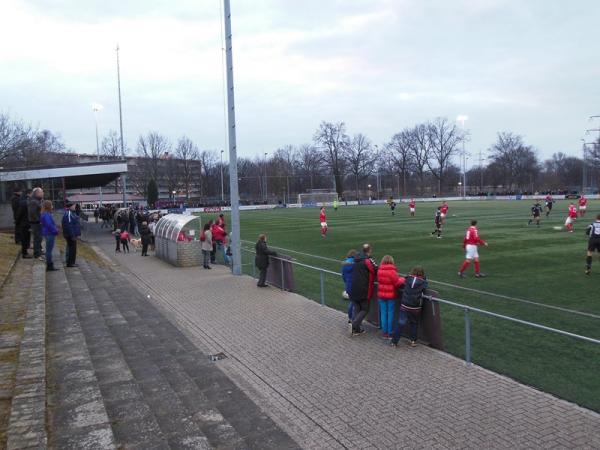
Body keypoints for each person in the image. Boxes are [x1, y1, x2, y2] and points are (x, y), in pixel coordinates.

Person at [390, 266, 428, 347]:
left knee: (401, 323)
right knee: (414, 323)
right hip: (415, 306)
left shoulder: (407, 279)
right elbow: (425, 288)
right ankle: (413, 341)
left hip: (405, 304)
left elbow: (401, 283)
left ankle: (394, 341)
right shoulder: (423, 282)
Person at [349, 243, 378, 336]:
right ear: (369, 250)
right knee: (365, 309)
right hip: (363, 288)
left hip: (353, 287)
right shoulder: (367, 261)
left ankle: (356, 329)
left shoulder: (355, 259)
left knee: (357, 308)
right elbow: (375, 270)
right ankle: (354, 324)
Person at [376, 255, 405, 339]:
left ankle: (384, 333)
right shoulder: (392, 271)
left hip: (381, 295)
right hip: (390, 295)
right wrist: (403, 279)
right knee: (390, 314)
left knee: (383, 313)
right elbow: (397, 283)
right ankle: (389, 333)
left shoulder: (380, 270)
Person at [41, 200, 59, 271]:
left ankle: (50, 265)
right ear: (48, 206)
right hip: (49, 233)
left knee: (49, 250)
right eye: (51, 205)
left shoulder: (44, 214)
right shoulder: (46, 215)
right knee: (49, 250)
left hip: (47, 233)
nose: (52, 206)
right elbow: (49, 225)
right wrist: (55, 231)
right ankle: (50, 265)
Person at [62, 202, 81, 267]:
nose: (75, 207)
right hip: (71, 235)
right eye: (74, 206)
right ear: (70, 206)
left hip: (72, 234)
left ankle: (72, 262)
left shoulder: (71, 213)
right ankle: (70, 263)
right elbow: (69, 225)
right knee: (71, 249)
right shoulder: (69, 214)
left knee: (73, 249)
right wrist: (72, 235)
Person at [15, 189, 32, 259]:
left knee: (26, 238)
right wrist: (17, 222)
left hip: (25, 223)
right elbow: (19, 214)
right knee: (25, 238)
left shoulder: (25, 202)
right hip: (25, 223)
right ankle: (24, 253)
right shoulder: (25, 202)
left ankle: (25, 252)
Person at [28, 187, 44, 259]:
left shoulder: (37, 201)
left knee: (39, 238)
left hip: (38, 222)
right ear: (37, 193)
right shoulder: (33, 201)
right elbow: (32, 213)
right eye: (41, 192)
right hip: (36, 223)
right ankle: (37, 254)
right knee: (37, 238)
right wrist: (39, 220)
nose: (43, 194)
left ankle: (39, 251)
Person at [341, 249, 356, 324]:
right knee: (356, 304)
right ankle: (354, 320)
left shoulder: (345, 264)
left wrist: (347, 282)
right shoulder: (356, 263)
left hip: (348, 285)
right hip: (355, 285)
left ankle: (350, 318)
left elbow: (343, 276)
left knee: (351, 302)